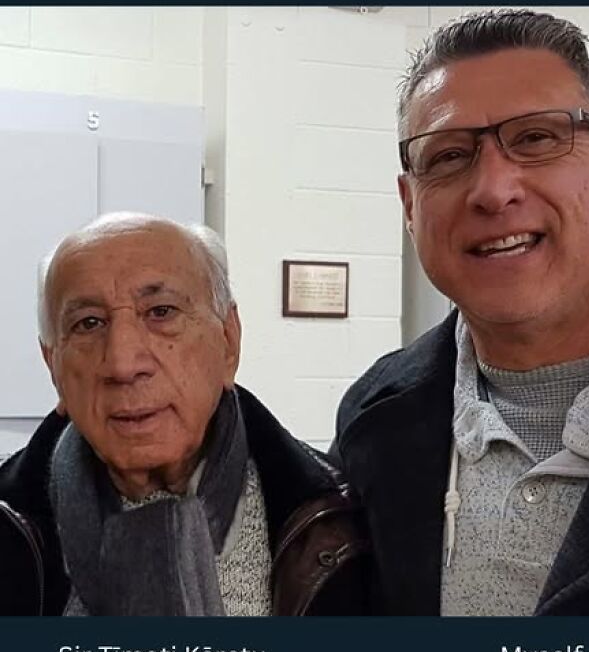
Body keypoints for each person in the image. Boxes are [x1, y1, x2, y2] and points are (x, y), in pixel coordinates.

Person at [332, 8, 589, 615]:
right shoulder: (375, 426)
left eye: (536, 138)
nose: (493, 189)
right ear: (409, 204)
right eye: (448, 156)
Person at [0, 212, 368, 615]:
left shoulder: (345, 520)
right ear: (52, 364)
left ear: (229, 341)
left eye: (160, 312)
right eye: (89, 323)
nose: (123, 364)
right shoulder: (10, 521)